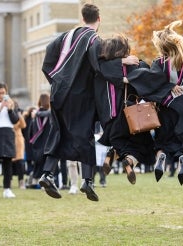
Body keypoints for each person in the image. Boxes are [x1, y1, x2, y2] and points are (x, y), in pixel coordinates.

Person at [39, 3, 138, 200]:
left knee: (58, 132)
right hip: (81, 95)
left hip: (58, 91)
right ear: (98, 19)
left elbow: (47, 61)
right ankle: (88, 181)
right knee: (85, 135)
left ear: (83, 18)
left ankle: (47, 174)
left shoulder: (65, 36)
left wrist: (56, 81)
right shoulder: (94, 40)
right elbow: (100, 66)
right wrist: (122, 62)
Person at [126, 20, 183, 186]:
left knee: (163, 140)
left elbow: (149, 82)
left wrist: (167, 87)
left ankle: (161, 156)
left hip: (167, 108)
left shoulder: (158, 63)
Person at [95, 34, 155, 185]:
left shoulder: (101, 69)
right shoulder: (135, 65)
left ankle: (114, 154)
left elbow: (101, 65)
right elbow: (146, 83)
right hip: (131, 115)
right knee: (143, 145)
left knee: (120, 142)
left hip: (109, 116)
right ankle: (128, 161)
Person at [12, 101, 27, 189]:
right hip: (8, 140)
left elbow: (23, 125)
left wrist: (19, 114)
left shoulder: (18, 116)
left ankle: (21, 182)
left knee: (20, 162)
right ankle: (8, 181)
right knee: (8, 162)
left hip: (18, 140)